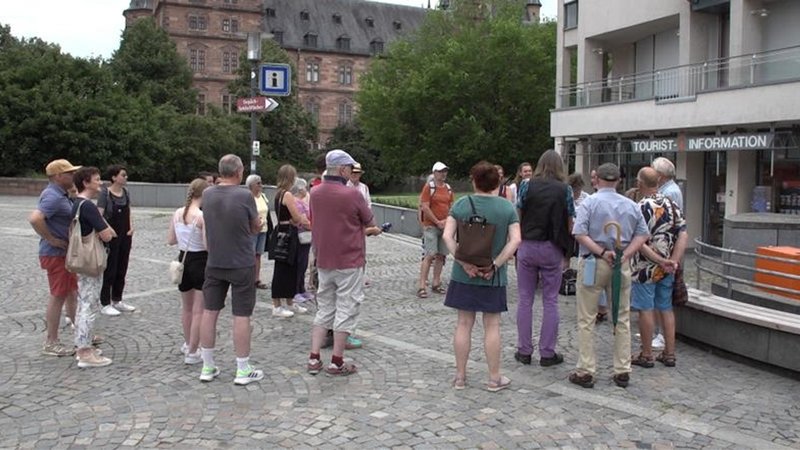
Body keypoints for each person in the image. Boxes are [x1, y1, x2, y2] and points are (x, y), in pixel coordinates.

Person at [570, 163, 649, 389]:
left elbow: (579, 233)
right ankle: (622, 369)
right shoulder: (631, 205)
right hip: (620, 264)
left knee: (586, 318)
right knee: (622, 316)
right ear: (618, 180)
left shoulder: (589, 203)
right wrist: (625, 254)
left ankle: (586, 369)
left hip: (594, 263)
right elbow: (642, 234)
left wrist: (602, 252)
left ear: (598, 180)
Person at [442, 161, 521, 391]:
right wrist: (496, 265)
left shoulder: (461, 205)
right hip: (492, 276)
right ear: (497, 182)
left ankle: (460, 376)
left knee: (464, 323)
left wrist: (464, 262)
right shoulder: (507, 208)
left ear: (474, 181)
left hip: (463, 274)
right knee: (492, 325)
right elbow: (516, 240)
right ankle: (494, 378)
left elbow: (448, 237)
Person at [306, 149, 381, 376]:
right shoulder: (352, 195)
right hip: (349, 259)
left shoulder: (315, 192)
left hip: (324, 259)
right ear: (341, 169)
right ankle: (337, 360)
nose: (351, 173)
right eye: (349, 168)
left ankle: (314, 356)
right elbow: (369, 220)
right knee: (346, 307)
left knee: (325, 307)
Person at [197, 154, 264, 385]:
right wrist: (257, 226)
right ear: (238, 172)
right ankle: (243, 369)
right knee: (241, 314)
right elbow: (255, 226)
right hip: (241, 261)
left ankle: (207, 365)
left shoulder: (207, 194)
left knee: (209, 312)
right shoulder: (244, 194)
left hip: (215, 260)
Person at [514, 150, 574, 367]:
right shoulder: (565, 189)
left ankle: (524, 350)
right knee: (550, 300)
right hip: (552, 246)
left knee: (525, 298)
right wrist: (568, 251)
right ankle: (547, 352)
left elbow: (518, 215)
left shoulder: (526, 185)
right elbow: (570, 222)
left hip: (528, 245)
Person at [630, 167, 688, 369]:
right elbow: (683, 234)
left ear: (640, 183)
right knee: (665, 307)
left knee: (645, 309)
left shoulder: (640, 207)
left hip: (645, 268)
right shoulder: (671, 205)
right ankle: (669, 353)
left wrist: (658, 260)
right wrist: (673, 260)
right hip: (668, 268)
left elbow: (639, 241)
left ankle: (646, 354)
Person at [29, 159, 81, 356]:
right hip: (55, 254)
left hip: (62, 254)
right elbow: (35, 218)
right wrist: (51, 239)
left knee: (71, 292)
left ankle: (81, 331)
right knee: (58, 295)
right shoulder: (53, 196)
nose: (72, 176)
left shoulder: (60, 194)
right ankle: (51, 341)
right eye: (69, 173)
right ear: (58, 176)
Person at [71, 166, 117, 367]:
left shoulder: (77, 204)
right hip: (91, 260)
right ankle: (85, 352)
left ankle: (82, 344)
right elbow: (107, 234)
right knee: (89, 305)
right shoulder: (88, 206)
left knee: (84, 302)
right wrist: (106, 232)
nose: (100, 182)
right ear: (86, 182)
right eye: (97, 179)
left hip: (82, 260)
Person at [167, 178, 209, 365]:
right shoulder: (201, 216)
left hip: (183, 258)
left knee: (187, 308)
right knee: (199, 310)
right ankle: (193, 351)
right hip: (200, 260)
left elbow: (171, 239)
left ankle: (187, 343)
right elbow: (208, 245)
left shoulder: (177, 213)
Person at [650, 156, 682, 351]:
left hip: (665, 253)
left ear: (660, 176)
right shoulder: (667, 190)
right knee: (659, 297)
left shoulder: (670, 193)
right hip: (665, 251)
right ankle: (657, 333)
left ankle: (663, 336)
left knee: (663, 298)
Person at [270, 164, 311, 318]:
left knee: (291, 268)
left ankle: (289, 301)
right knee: (284, 269)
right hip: (288, 234)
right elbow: (296, 217)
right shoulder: (286, 195)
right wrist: (299, 220)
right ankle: (278, 305)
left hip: (282, 231)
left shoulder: (278, 193)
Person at [97, 165, 136, 316]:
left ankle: (117, 299)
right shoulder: (105, 193)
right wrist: (108, 229)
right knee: (110, 268)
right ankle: (105, 302)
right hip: (111, 235)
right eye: (123, 175)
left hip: (125, 234)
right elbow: (99, 214)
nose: (125, 178)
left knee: (122, 266)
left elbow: (129, 210)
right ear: (114, 177)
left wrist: (132, 226)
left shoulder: (125, 192)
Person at [416, 161, 454, 298]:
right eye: (440, 171)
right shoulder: (429, 187)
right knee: (430, 254)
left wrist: (446, 221)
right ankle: (422, 285)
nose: (443, 174)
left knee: (442, 255)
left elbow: (451, 206)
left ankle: (436, 282)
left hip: (444, 225)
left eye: (445, 171)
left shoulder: (448, 188)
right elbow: (425, 206)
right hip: (431, 225)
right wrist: (437, 221)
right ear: (434, 173)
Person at [245, 174, 270, 290]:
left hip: (263, 229)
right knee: (250, 254)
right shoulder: (248, 197)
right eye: (258, 183)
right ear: (251, 185)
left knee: (258, 254)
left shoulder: (263, 196)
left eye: (261, 183)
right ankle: (248, 278)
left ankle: (256, 278)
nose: (260, 185)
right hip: (252, 230)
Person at [291, 178, 314, 304]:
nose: (306, 190)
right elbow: (303, 221)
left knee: (303, 263)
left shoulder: (300, 201)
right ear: (300, 189)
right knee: (300, 264)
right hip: (301, 236)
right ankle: (295, 290)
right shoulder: (297, 203)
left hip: (305, 237)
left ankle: (301, 288)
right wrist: (314, 227)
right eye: (305, 188)